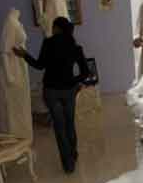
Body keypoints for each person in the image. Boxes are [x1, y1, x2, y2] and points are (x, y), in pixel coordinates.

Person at [14, 17, 89, 174]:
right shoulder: (76, 47)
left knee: (59, 127)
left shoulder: (48, 43)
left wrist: (24, 54)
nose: (52, 29)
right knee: (70, 123)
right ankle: (73, 155)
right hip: (69, 91)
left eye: (53, 26)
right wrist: (74, 83)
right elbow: (85, 73)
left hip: (51, 91)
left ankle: (68, 165)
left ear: (56, 28)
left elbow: (39, 65)